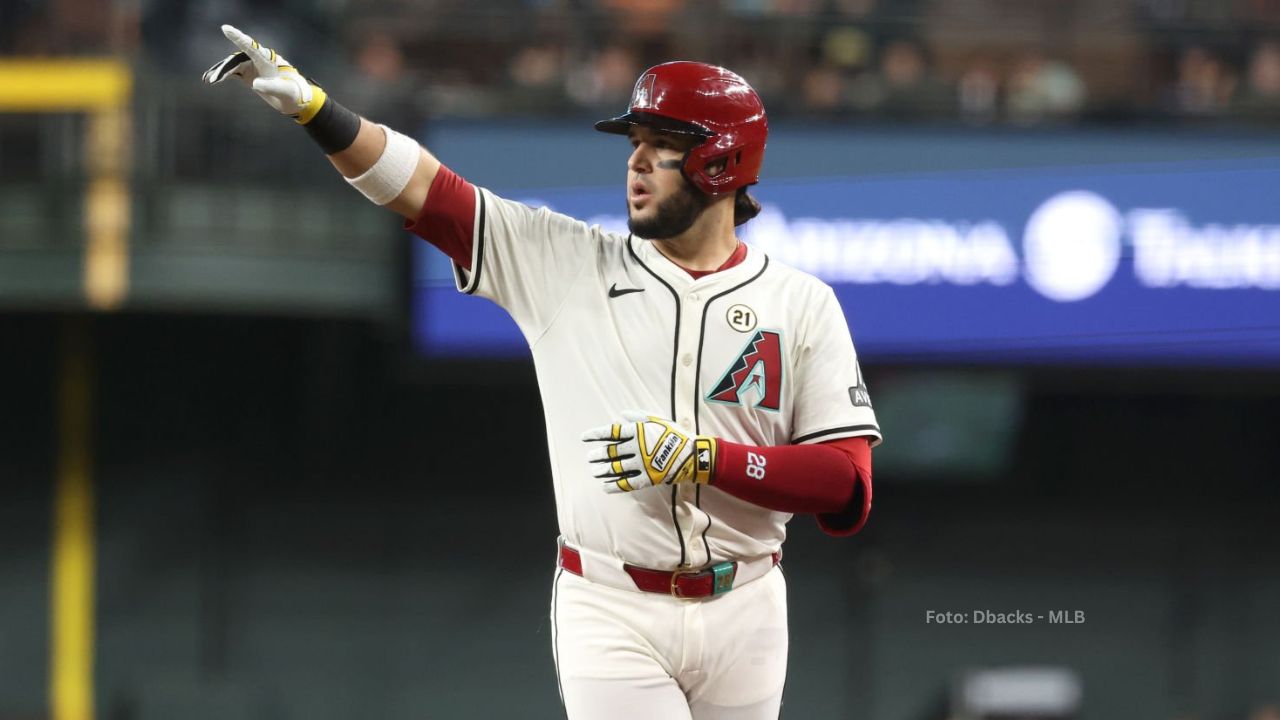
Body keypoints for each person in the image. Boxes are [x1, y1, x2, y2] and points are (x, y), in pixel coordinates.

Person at [204, 24, 882, 720]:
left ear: (721, 161)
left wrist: (704, 458)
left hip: (748, 604)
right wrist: (319, 112)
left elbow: (845, 483)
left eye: (662, 144)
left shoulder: (800, 303)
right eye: (634, 144)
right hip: (612, 604)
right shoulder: (567, 264)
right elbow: (431, 195)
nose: (637, 161)